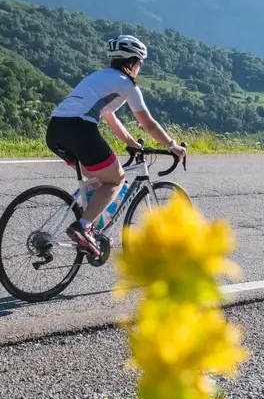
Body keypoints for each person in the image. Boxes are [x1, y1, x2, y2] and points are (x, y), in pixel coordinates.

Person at [45, 35, 187, 257]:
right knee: (116, 179)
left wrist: (130, 143)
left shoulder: (99, 77)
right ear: (132, 62)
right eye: (139, 63)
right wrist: (172, 145)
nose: (139, 68)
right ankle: (82, 227)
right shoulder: (126, 84)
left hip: (55, 130)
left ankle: (89, 229)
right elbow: (148, 124)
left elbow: (110, 117)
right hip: (80, 130)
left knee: (97, 181)